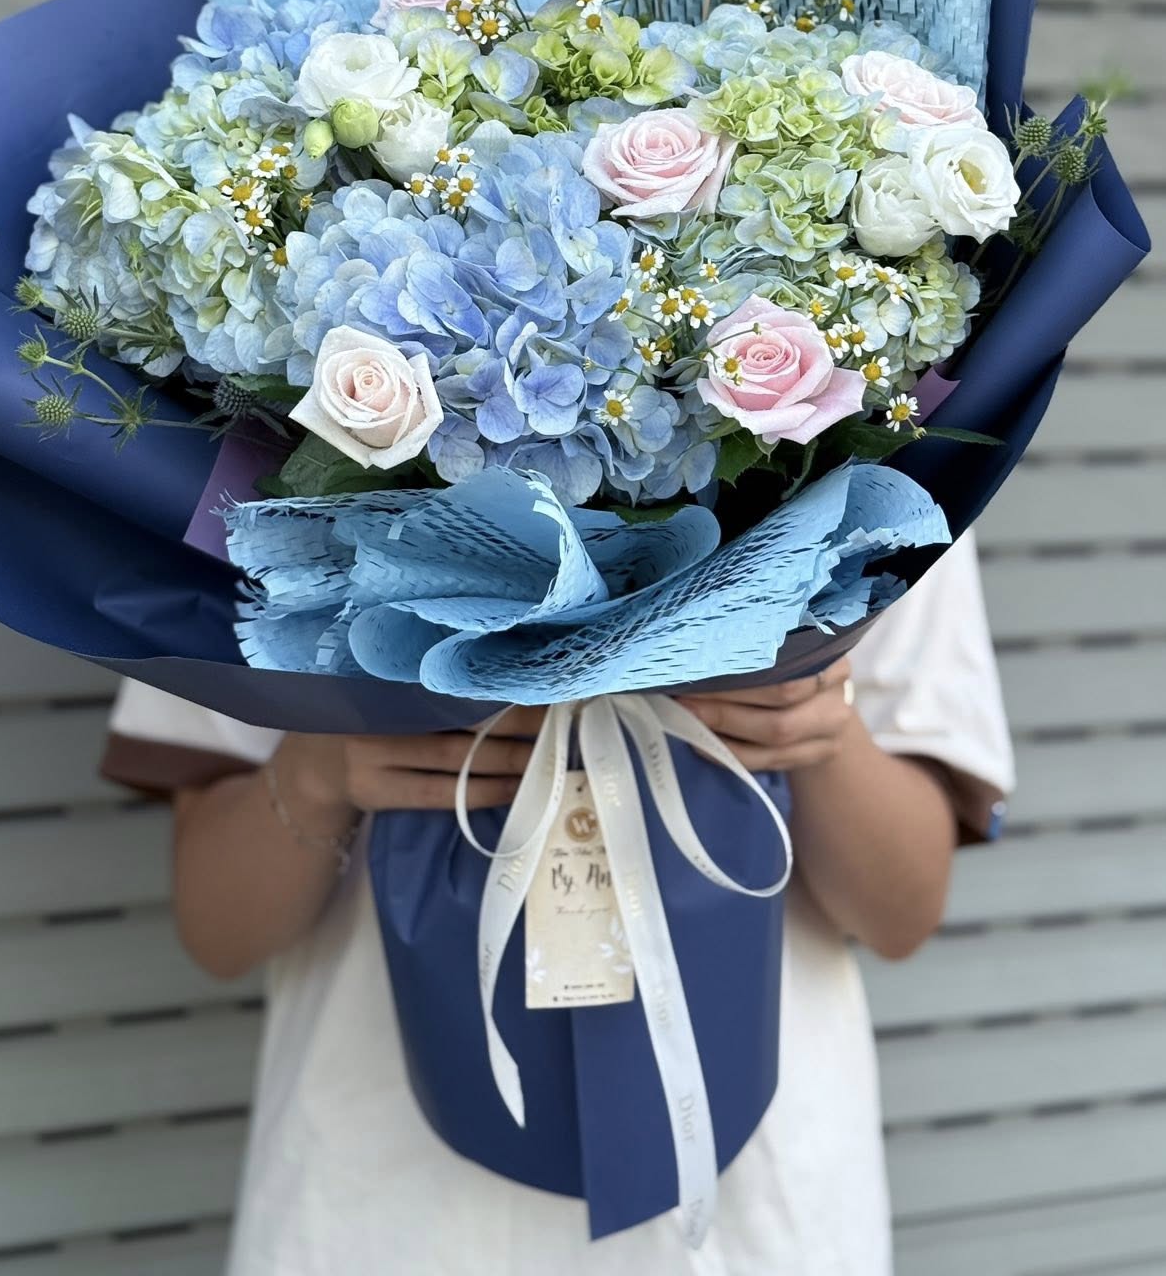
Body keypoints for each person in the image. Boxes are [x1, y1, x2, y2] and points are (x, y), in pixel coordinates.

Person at [102, 530, 1013, 1276]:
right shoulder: (259, 476)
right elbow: (219, 930)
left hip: (740, 1213)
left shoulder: (866, 455)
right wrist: (314, 770)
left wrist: (821, 732)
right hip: (386, 1206)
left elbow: (901, 914)